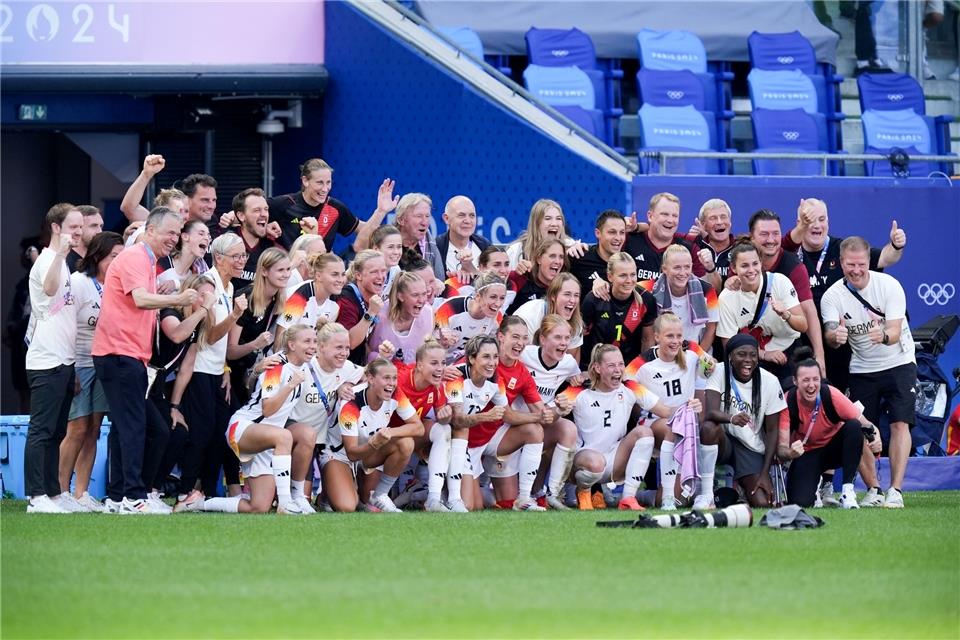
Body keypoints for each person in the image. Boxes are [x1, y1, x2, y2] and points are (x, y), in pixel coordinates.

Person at [92, 207, 198, 515]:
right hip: (120, 354)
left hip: (128, 355)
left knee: (136, 427)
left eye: (178, 234)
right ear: (150, 230)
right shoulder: (137, 257)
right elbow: (140, 299)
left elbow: (139, 300)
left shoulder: (146, 261)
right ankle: (133, 497)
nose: (173, 239)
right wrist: (178, 299)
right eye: (169, 232)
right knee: (134, 427)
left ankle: (118, 497)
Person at [821, 236, 916, 509]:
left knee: (900, 422)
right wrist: (835, 336)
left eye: (861, 264)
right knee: (859, 427)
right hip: (862, 367)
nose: (856, 270)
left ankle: (895, 490)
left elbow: (896, 332)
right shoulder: (832, 296)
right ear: (841, 263)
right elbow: (830, 331)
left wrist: (883, 335)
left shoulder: (889, 286)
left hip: (899, 362)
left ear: (869, 262)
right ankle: (873, 489)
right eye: (850, 265)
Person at [781, 198, 906, 392]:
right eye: (809, 219)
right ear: (799, 223)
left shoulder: (843, 250)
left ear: (828, 222)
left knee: (838, 398)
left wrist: (896, 245)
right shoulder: (790, 254)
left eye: (822, 219)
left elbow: (884, 258)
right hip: (801, 340)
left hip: (839, 341)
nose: (817, 225)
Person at [205, 324, 317, 514]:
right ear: (291, 344)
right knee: (284, 436)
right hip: (244, 428)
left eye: (314, 341)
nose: (313, 346)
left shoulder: (304, 366)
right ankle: (286, 502)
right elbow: (267, 410)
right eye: (307, 341)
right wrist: (290, 385)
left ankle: (199, 504)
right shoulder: (276, 366)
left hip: (269, 440)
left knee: (258, 507)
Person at [173, 233, 248, 511]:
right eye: (236, 256)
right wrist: (236, 316)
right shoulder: (209, 286)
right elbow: (211, 336)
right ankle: (184, 492)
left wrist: (226, 368)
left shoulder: (228, 288)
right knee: (201, 434)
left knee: (219, 434)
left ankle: (203, 491)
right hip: (200, 372)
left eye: (243, 256)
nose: (241, 261)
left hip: (217, 371)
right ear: (219, 258)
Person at [559, 344, 681, 511]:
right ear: (597, 368)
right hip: (582, 462)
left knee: (644, 432)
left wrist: (688, 407)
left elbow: (665, 411)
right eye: (611, 365)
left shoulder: (630, 386)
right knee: (595, 462)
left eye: (620, 364)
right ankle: (584, 491)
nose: (618, 370)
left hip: (615, 461)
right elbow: (553, 410)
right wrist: (559, 407)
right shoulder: (579, 389)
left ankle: (628, 498)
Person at [23, 204, 83, 514]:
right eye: (73, 226)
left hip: (65, 360)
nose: (78, 232)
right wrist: (60, 254)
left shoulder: (66, 265)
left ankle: (53, 492)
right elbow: (48, 289)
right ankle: (36, 496)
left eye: (80, 226)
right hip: (46, 361)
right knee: (41, 430)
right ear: (56, 228)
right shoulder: (47, 261)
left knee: (57, 431)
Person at [58, 232, 123, 512]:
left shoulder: (118, 284)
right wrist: (69, 368)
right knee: (76, 428)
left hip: (105, 363)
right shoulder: (79, 283)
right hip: (80, 362)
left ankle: (81, 493)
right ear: (97, 257)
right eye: (113, 257)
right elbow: (64, 326)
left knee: (94, 431)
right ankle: (60, 492)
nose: (118, 262)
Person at [445, 335, 547, 512]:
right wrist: (486, 416)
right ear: (471, 358)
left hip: (477, 446)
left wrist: (541, 417)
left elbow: (506, 414)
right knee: (469, 506)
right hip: (453, 444)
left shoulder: (495, 381)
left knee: (476, 506)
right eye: (486, 357)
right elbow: (458, 420)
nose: (492, 362)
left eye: (495, 357)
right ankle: (426, 495)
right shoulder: (456, 377)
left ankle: (524, 498)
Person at [626, 313, 716, 509]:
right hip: (655, 424)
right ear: (657, 337)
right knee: (672, 427)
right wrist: (660, 408)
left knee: (682, 500)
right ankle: (667, 497)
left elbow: (709, 366)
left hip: (686, 424)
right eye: (669, 336)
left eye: (678, 336)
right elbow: (626, 381)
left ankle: (652, 496)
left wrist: (708, 368)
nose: (675, 341)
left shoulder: (691, 349)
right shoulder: (644, 362)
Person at [778, 348, 882, 509]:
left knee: (854, 427)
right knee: (800, 503)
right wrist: (791, 453)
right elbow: (781, 449)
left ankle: (848, 491)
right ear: (795, 381)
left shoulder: (831, 394)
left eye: (815, 379)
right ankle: (817, 485)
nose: (811, 385)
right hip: (806, 454)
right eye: (805, 380)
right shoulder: (788, 401)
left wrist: (876, 437)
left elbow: (866, 424)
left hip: (835, 450)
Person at [147, 274, 217, 510]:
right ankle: (139, 491)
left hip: (157, 385)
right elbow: (176, 334)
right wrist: (202, 310)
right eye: (202, 295)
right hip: (141, 376)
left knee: (178, 432)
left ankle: (154, 490)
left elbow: (187, 366)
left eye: (210, 296)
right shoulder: (170, 312)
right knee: (158, 432)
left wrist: (175, 407)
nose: (206, 301)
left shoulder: (199, 324)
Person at [702, 334, 787, 508]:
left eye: (753, 355)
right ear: (730, 356)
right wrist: (732, 419)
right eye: (741, 354)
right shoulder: (718, 370)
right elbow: (710, 412)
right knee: (708, 429)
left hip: (749, 445)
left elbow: (772, 431)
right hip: (723, 439)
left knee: (763, 502)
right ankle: (705, 493)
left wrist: (764, 472)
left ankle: (742, 488)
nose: (748, 360)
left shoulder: (770, 381)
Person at [292, 321, 365, 512]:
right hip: (298, 442)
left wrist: (348, 386)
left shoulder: (347, 367)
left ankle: (325, 496)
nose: (344, 352)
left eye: (347, 348)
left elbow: (369, 376)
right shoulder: (305, 366)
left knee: (347, 505)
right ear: (321, 347)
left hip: (325, 444)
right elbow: (276, 364)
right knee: (302, 501)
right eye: (339, 347)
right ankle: (293, 495)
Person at [338, 358, 424, 513]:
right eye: (386, 378)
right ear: (370, 379)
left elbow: (418, 428)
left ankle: (381, 494)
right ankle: (327, 495)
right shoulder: (351, 403)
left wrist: (389, 433)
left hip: (369, 452)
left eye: (394, 378)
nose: (392, 383)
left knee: (406, 443)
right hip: (341, 454)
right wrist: (375, 443)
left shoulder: (396, 393)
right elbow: (351, 453)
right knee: (346, 506)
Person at [717, 240, 806, 386]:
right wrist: (764, 354)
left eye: (755, 264)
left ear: (761, 263)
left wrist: (786, 314)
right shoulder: (727, 298)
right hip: (752, 357)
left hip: (790, 350)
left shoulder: (779, 282)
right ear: (733, 267)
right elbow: (730, 345)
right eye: (744, 265)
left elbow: (803, 326)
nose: (751, 270)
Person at [747, 209, 825, 374]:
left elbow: (808, 311)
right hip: (750, 351)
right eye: (764, 234)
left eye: (776, 234)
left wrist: (820, 356)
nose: (771, 240)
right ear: (751, 237)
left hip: (786, 347)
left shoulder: (794, 267)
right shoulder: (742, 262)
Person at [268, 158, 396, 251]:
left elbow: (363, 230)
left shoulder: (335, 208)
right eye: (320, 183)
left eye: (328, 182)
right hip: (288, 277)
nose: (325, 189)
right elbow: (250, 216)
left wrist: (381, 211)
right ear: (305, 181)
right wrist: (265, 229)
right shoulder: (283, 204)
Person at [391, 339, 453, 512]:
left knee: (444, 430)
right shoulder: (400, 378)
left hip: (410, 435)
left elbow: (442, 418)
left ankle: (433, 499)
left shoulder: (437, 386)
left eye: (443, 363)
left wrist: (445, 417)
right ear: (419, 365)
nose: (440, 368)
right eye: (434, 363)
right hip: (385, 436)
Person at [227, 248, 290, 404]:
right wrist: (255, 344)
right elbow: (230, 351)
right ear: (264, 271)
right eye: (280, 270)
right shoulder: (246, 299)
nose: (286, 274)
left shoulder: (277, 299)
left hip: (249, 368)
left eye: (288, 269)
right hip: (230, 372)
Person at [581, 252, 657, 367]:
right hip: (598, 369)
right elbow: (582, 339)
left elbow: (647, 339)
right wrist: (585, 369)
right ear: (610, 276)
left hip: (630, 368)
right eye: (623, 275)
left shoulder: (646, 299)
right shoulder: (594, 300)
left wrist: (643, 369)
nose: (629, 280)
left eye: (633, 274)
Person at [640, 245, 718, 350]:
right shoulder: (648, 289)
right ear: (664, 269)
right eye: (677, 267)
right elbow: (628, 288)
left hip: (696, 354)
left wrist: (696, 358)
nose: (682, 273)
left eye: (687, 267)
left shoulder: (707, 290)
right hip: (661, 356)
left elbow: (710, 330)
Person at [622, 192, 705, 282]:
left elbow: (705, 289)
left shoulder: (690, 247)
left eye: (675, 216)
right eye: (665, 214)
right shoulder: (627, 240)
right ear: (650, 216)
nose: (670, 220)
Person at [434, 272, 507, 364]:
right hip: (438, 363)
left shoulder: (497, 318)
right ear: (478, 296)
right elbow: (427, 345)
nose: (498, 304)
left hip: (465, 365)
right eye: (493, 297)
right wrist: (442, 342)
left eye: (502, 298)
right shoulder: (449, 308)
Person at [276, 252, 345, 351]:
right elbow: (279, 343)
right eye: (335, 274)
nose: (341, 280)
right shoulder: (299, 297)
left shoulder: (336, 303)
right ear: (318, 276)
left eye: (343, 274)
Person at [369, 271, 435, 364]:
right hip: (380, 372)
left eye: (424, 294)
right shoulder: (380, 312)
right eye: (415, 295)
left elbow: (430, 351)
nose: (421, 300)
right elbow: (365, 348)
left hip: (413, 375)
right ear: (400, 296)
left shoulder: (428, 313)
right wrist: (380, 357)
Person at [513, 273, 584, 359]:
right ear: (553, 296)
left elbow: (570, 365)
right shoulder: (530, 314)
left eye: (576, 295)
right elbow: (518, 354)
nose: (572, 300)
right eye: (567, 294)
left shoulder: (576, 323)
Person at [337, 250, 387, 365]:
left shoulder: (373, 297)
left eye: (383, 271)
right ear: (358, 275)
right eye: (374, 272)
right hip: (341, 370)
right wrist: (371, 312)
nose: (381, 277)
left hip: (358, 366)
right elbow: (350, 342)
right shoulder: (346, 298)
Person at [505, 198, 584, 270]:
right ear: (536, 224)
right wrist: (517, 274)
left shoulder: (571, 246)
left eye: (558, 218)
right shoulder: (516, 251)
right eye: (548, 218)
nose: (554, 223)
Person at [569, 209, 627, 297]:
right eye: (612, 232)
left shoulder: (628, 261)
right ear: (598, 233)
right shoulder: (579, 257)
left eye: (622, 232)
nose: (618, 238)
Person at [229, 188, 279, 290]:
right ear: (241, 216)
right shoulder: (227, 241)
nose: (264, 214)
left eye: (266, 209)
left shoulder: (272, 245)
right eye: (257, 210)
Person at [119, 155, 189, 223]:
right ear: (161, 214)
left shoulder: (196, 227)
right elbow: (129, 208)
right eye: (178, 211)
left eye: (186, 211)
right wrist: (146, 174)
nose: (184, 216)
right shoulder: (155, 225)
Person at [505, 238, 566, 315]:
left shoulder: (564, 287)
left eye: (561, 257)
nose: (557, 261)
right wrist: (515, 275)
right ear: (539, 259)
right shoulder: (522, 279)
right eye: (552, 256)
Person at [436, 195, 490, 278]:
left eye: (472, 215)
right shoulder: (435, 247)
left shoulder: (485, 246)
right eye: (461, 215)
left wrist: (472, 270)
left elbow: (493, 283)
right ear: (446, 218)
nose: (468, 221)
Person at [395, 192, 445, 280]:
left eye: (427, 216)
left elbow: (440, 279)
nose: (424, 222)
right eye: (419, 216)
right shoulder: (386, 244)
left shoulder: (431, 246)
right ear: (401, 220)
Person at [691, 198, 735, 290]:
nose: (719, 222)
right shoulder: (694, 248)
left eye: (723, 217)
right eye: (713, 218)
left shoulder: (740, 249)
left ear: (730, 222)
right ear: (703, 225)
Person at [156, 219, 210, 288]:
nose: (207, 238)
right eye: (201, 234)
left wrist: (176, 284)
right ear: (185, 237)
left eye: (208, 235)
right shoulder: (162, 262)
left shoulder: (199, 270)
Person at [65, 205, 104, 273]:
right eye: (94, 226)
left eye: (101, 226)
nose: (100, 231)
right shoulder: (65, 263)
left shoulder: (98, 260)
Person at [370, 224, 404, 295]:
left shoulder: (396, 270)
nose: (396, 252)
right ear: (376, 249)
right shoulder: (364, 271)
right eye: (390, 247)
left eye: (399, 247)